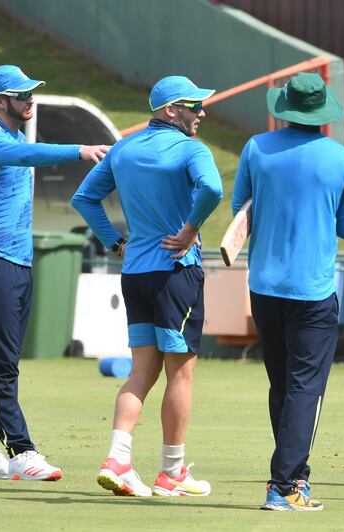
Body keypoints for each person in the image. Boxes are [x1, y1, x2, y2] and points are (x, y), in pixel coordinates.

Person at [71, 75, 223, 497]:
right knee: (181, 375)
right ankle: (171, 472)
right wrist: (192, 228)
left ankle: (117, 460)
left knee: (141, 371)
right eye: (195, 105)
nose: (202, 112)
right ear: (171, 110)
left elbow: (83, 198)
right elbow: (212, 187)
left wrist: (114, 241)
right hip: (177, 273)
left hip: (136, 273)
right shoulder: (193, 149)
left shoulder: (124, 147)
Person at [0, 65, 109, 481]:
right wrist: (78, 149)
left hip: (16, 262)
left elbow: (26, 151)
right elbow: (28, 155)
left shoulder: (10, 136)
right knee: (1, 363)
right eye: (21, 94)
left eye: (31, 93)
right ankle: (21, 451)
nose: (30, 100)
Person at [232, 72, 344, 511]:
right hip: (313, 290)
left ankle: (294, 478)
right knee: (306, 389)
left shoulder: (256, 148)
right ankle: (284, 484)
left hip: (264, 287)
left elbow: (239, 211)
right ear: (324, 114)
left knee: (282, 385)